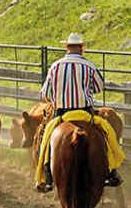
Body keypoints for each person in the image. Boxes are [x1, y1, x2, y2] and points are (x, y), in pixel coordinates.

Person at [36, 33, 123, 193]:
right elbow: (99, 87)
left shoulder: (55, 66)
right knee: (106, 134)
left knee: (47, 138)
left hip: (62, 114)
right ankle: (111, 171)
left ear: (67, 47)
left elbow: (45, 94)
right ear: (82, 48)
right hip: (85, 113)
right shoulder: (89, 66)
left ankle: (47, 175)